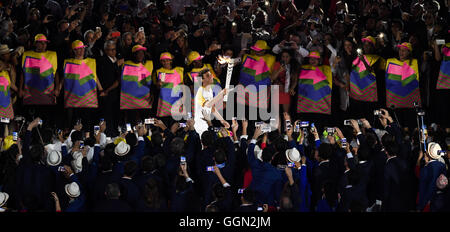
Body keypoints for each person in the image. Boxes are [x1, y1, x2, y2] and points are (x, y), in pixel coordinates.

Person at [62, 40, 104, 130]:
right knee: (73, 118)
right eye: (78, 49)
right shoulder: (68, 62)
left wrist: (100, 89)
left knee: (87, 118)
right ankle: (72, 136)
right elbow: (64, 77)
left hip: (87, 95)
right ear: (74, 51)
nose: (81, 51)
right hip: (73, 96)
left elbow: (94, 75)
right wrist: (58, 87)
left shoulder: (90, 62)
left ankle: (87, 137)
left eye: (82, 49)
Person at [20, 34, 59, 124]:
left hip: (47, 92)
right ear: (35, 44)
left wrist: (57, 88)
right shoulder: (27, 54)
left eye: (45, 43)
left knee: (45, 116)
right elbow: (23, 73)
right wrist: (20, 89)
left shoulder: (52, 55)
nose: (44, 45)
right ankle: (32, 134)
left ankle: (44, 134)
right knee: (31, 116)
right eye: (41, 43)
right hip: (31, 91)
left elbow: (56, 72)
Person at [384, 42, 420, 127]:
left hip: (409, 100)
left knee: (409, 123)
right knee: (398, 123)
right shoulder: (391, 61)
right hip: (395, 100)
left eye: (404, 50)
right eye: (400, 50)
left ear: (409, 52)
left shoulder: (415, 62)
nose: (401, 52)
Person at [120, 45, 153, 125]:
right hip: (131, 99)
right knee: (131, 120)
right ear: (134, 55)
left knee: (147, 119)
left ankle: (147, 133)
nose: (141, 55)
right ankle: (132, 134)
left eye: (142, 53)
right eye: (138, 53)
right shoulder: (126, 64)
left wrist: (152, 93)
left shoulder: (149, 64)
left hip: (145, 98)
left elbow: (149, 81)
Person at [296, 51, 332, 124]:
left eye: (315, 59)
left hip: (321, 106)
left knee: (319, 124)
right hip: (306, 106)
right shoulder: (303, 68)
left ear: (319, 60)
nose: (313, 61)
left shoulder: (326, 69)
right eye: (311, 59)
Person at [96, 40, 121, 137]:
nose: (114, 52)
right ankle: (108, 133)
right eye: (111, 50)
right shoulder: (102, 60)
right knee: (108, 114)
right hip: (106, 92)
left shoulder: (116, 59)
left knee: (115, 113)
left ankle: (115, 131)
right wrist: (103, 90)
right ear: (106, 50)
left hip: (116, 92)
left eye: (114, 49)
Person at [193, 69, 229, 136]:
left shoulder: (210, 91)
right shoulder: (200, 91)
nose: (211, 76)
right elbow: (208, 105)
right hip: (200, 125)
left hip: (207, 123)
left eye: (211, 75)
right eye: (207, 76)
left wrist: (222, 120)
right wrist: (221, 94)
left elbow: (212, 108)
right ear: (202, 80)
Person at [155, 52, 184, 121]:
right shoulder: (159, 72)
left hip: (176, 100)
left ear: (171, 60)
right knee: (165, 121)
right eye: (163, 61)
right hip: (165, 102)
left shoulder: (179, 70)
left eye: (167, 60)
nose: (166, 62)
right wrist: (158, 84)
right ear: (161, 62)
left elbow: (183, 85)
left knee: (176, 121)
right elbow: (157, 88)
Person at [0, 44, 18, 119]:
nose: (9, 55)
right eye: (7, 53)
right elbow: (7, 82)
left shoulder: (9, 65)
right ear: (2, 55)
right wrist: (17, 90)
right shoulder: (1, 66)